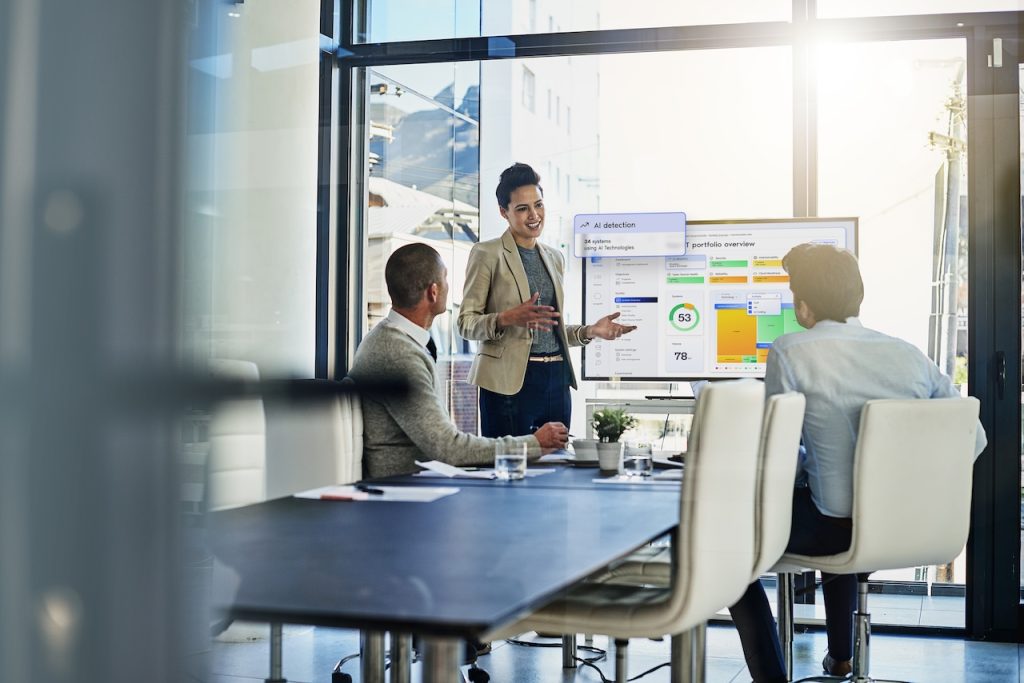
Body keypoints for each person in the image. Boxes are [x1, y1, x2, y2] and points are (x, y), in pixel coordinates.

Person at [728, 243, 987, 683]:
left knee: (729, 549)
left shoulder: (791, 351)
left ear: (804, 305)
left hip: (834, 528)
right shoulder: (908, 355)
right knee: (839, 510)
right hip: (917, 524)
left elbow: (780, 461)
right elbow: (972, 438)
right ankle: (841, 659)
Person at [349, 242, 569, 479]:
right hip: (408, 490)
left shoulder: (392, 341)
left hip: (424, 480)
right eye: (445, 279)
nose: (448, 286)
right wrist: (533, 443)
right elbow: (448, 448)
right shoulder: (397, 356)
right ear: (433, 291)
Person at [458, 162, 636, 437]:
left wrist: (590, 331)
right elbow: (465, 323)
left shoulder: (554, 257)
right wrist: (506, 318)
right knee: (513, 468)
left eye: (538, 205)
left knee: (556, 463)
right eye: (522, 208)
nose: (534, 215)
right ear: (504, 212)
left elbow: (550, 329)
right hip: (509, 384)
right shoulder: (487, 254)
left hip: (556, 379)